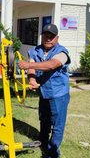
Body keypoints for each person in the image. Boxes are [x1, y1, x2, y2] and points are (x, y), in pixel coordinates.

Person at [18, 24, 70, 158]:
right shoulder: (36, 50)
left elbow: (52, 64)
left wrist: (28, 65)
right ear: (42, 37)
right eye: (46, 36)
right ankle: (43, 141)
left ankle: (53, 152)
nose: (48, 39)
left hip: (58, 94)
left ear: (57, 38)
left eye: (51, 36)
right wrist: (32, 80)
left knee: (57, 124)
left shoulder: (62, 52)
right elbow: (32, 68)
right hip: (44, 93)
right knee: (44, 119)